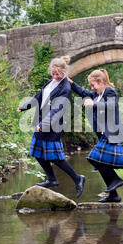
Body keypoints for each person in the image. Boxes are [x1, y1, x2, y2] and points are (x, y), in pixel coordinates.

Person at [18, 56, 85, 198]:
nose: (55, 76)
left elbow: (57, 110)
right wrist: (25, 107)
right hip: (42, 123)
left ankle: (78, 178)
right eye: (53, 73)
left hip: (52, 125)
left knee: (56, 158)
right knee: (36, 152)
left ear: (64, 72)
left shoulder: (65, 87)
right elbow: (39, 97)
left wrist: (44, 124)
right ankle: (52, 179)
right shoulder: (51, 83)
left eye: (58, 74)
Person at [68, 69, 123, 203]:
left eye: (93, 85)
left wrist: (93, 104)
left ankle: (116, 180)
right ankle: (114, 195)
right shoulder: (96, 94)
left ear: (100, 82)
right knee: (99, 161)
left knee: (94, 158)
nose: (92, 88)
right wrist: (70, 82)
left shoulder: (110, 92)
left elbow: (112, 106)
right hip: (105, 135)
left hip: (113, 133)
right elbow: (83, 92)